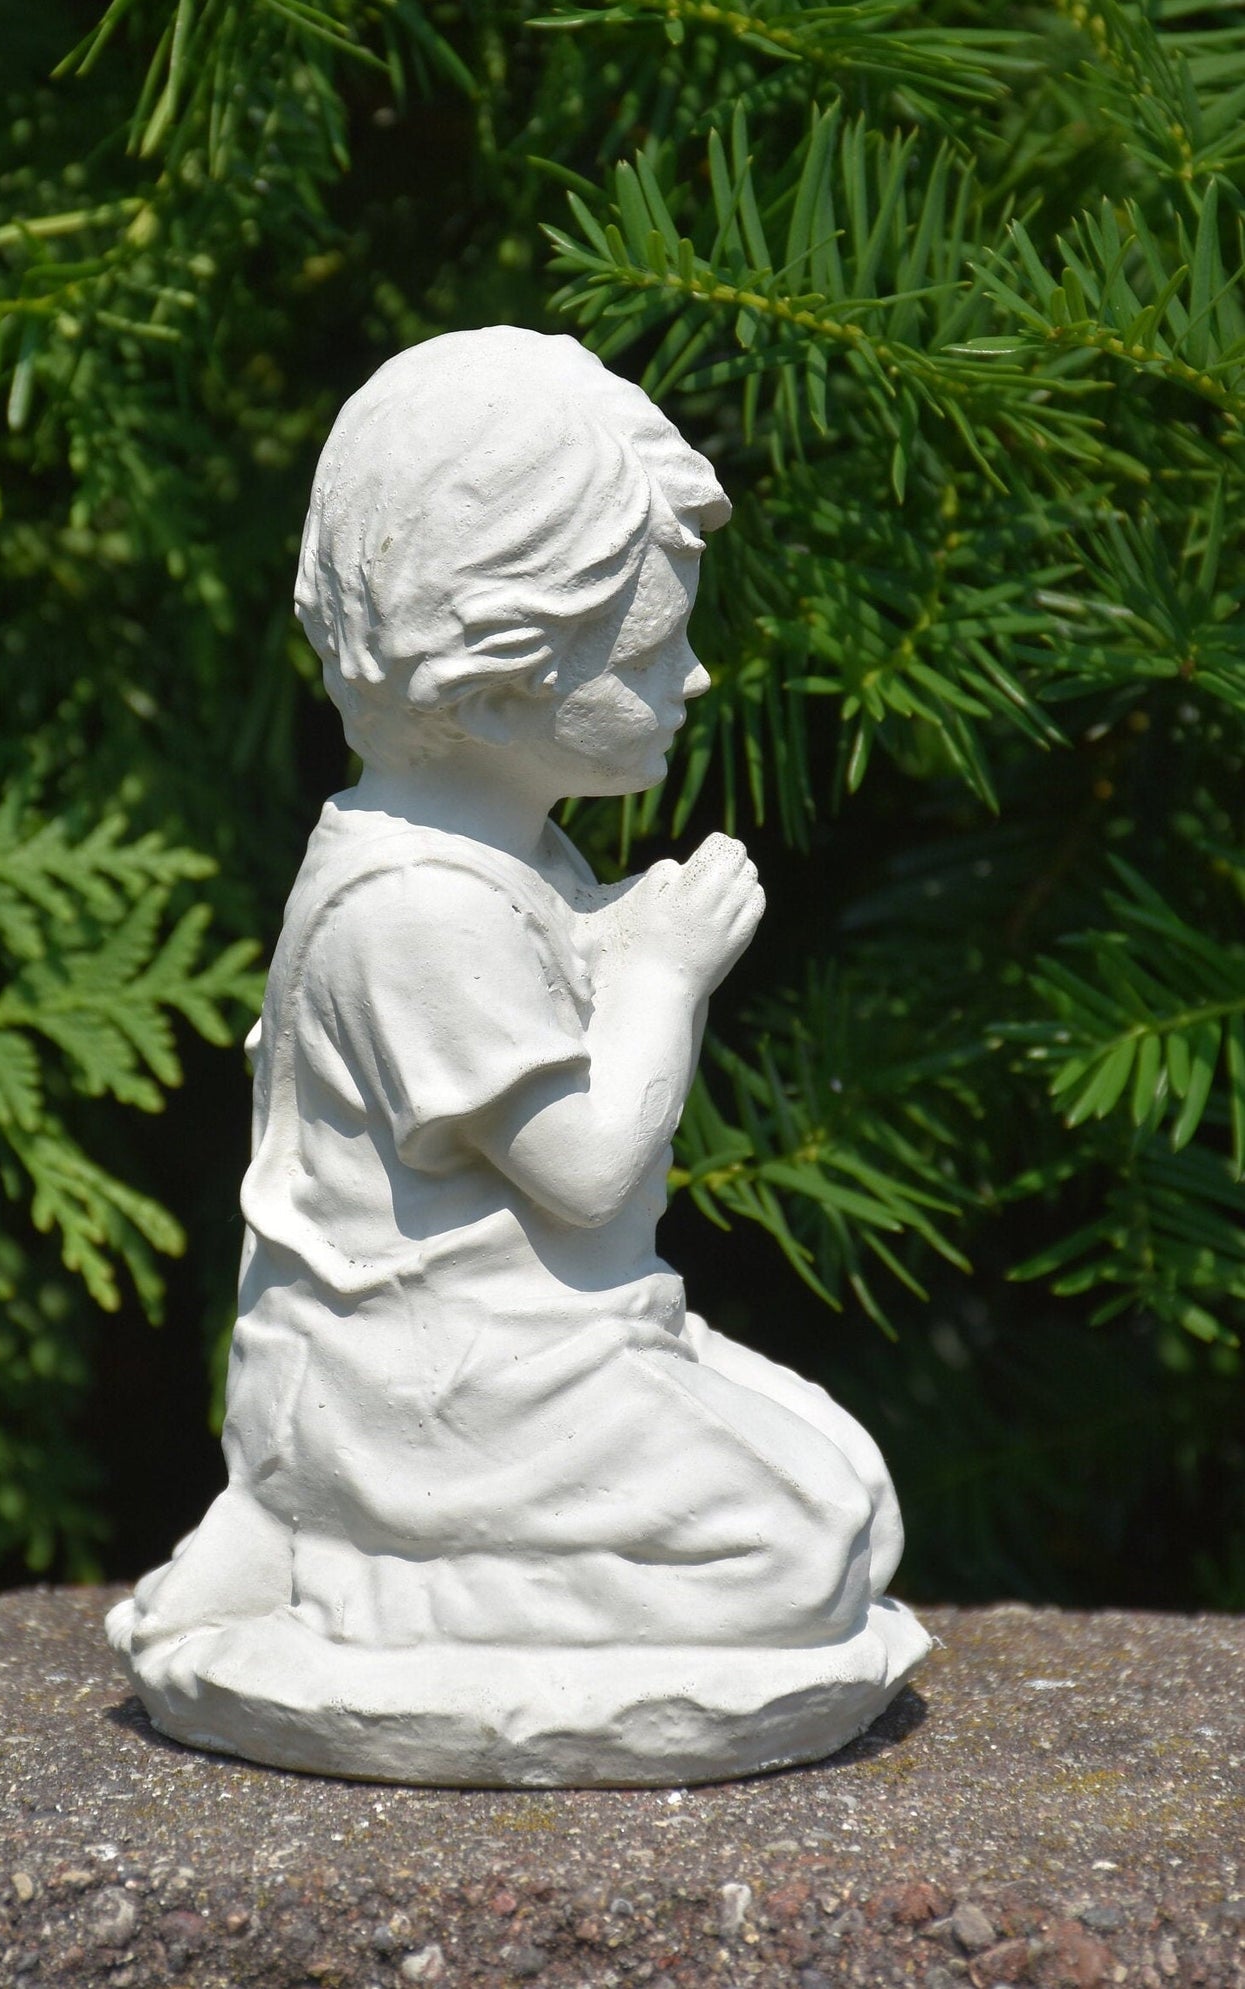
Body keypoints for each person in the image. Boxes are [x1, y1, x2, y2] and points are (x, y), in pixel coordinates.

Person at [109, 328, 928, 1782]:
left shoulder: (488, 855)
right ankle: (370, 1579)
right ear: (497, 684)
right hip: (421, 1389)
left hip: (522, 1355)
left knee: (853, 1492)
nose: (693, 674)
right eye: (652, 644)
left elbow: (543, 977)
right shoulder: (415, 909)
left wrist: (613, 934)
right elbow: (594, 1177)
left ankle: (349, 1547)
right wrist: (664, 973)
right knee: (800, 1552)